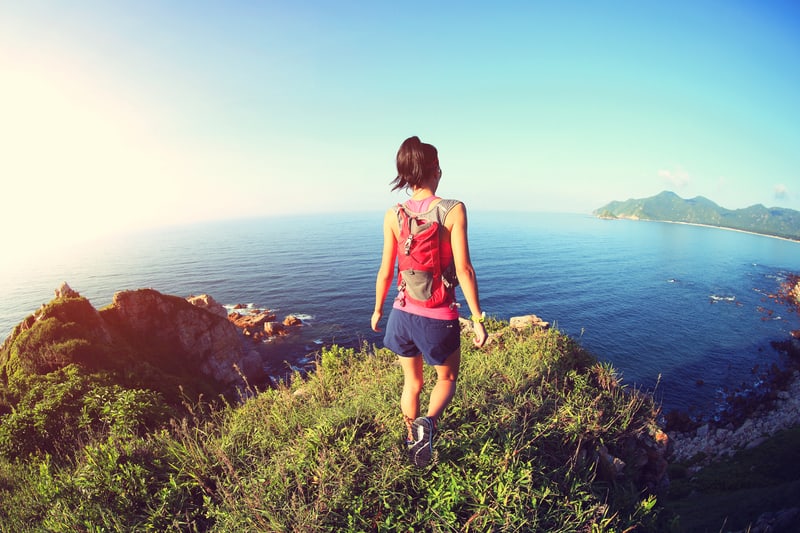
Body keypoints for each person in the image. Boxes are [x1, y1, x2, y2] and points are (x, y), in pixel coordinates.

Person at [371, 135, 488, 468]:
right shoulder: (452, 209)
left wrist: (378, 309)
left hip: (401, 314)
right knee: (446, 379)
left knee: (413, 383)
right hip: (437, 317)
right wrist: (478, 320)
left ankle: (412, 441)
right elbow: (464, 269)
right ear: (435, 169)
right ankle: (429, 424)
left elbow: (384, 270)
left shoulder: (394, 214)